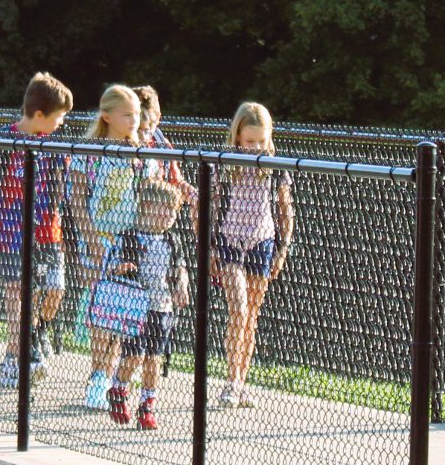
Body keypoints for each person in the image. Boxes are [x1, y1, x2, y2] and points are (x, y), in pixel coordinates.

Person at [0, 73, 76, 388]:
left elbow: (65, 190)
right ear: (39, 115)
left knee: (54, 289)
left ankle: (39, 332)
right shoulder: (4, 140)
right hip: (9, 229)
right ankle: (13, 355)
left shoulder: (56, 144)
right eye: (59, 117)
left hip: (47, 231)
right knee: (18, 293)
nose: (62, 123)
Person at [212, 101, 294, 409]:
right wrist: (210, 247)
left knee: (251, 318)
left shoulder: (275, 169)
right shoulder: (224, 163)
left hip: (262, 241)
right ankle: (231, 381)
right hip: (231, 241)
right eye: (249, 142)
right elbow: (214, 205)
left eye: (261, 141)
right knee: (239, 310)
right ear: (237, 138)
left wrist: (282, 249)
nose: (255, 148)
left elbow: (286, 210)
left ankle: (242, 382)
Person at [75, 85, 146, 409]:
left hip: (128, 246)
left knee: (120, 316)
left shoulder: (142, 153)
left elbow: (147, 197)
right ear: (107, 116)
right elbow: (76, 198)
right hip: (97, 242)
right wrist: (90, 238)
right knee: (101, 316)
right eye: (126, 114)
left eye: (137, 114)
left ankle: (112, 378)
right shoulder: (88, 150)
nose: (134, 120)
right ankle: (97, 378)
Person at [101, 181, 191, 430]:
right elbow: (110, 265)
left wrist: (182, 286)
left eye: (173, 212)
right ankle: (119, 390)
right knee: (134, 354)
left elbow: (179, 268)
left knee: (154, 358)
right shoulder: (129, 237)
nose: (170, 217)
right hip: (135, 306)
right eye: (166, 210)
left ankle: (147, 405)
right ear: (147, 207)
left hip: (161, 306)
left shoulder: (172, 241)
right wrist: (122, 268)